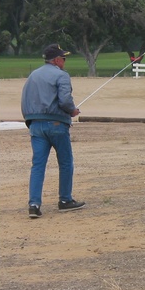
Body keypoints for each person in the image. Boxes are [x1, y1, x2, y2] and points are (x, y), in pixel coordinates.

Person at [21, 43, 85, 218]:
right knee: (65, 162)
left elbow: (25, 99)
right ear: (56, 60)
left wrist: (31, 120)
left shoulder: (33, 75)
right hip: (56, 124)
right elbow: (65, 100)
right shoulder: (61, 75)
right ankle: (65, 200)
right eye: (63, 58)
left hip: (35, 124)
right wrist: (72, 111)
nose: (64, 61)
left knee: (38, 166)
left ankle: (34, 204)